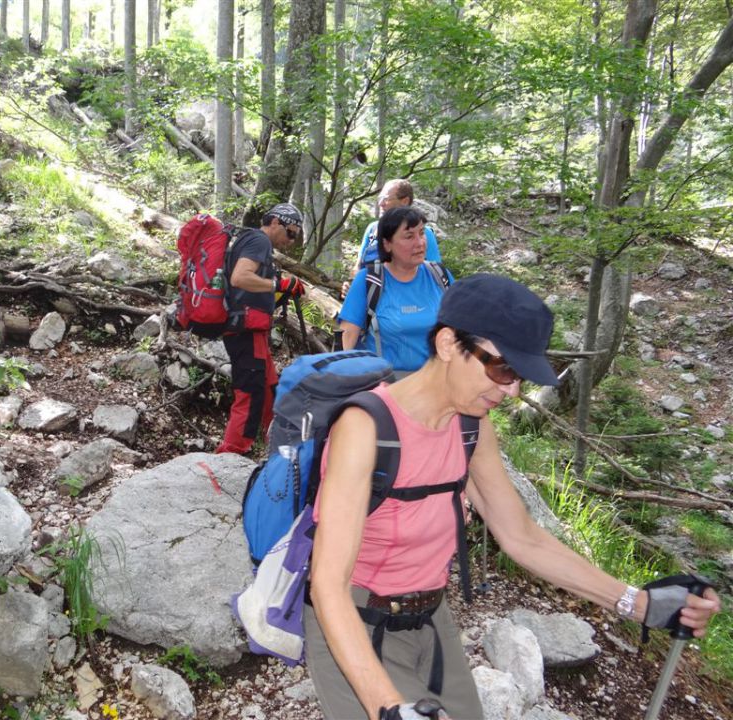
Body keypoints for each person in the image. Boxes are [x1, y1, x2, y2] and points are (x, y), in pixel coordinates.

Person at [306, 274, 721, 720]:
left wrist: (638, 603)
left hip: (432, 618)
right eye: (503, 369)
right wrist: (388, 709)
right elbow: (328, 584)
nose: (513, 391)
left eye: (520, 375)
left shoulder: (470, 425)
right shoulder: (365, 428)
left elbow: (521, 536)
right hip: (356, 623)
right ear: (448, 344)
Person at [215, 203, 305, 455]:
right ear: (275, 222)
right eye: (290, 233)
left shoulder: (251, 241)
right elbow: (240, 278)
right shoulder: (259, 240)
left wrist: (281, 288)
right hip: (246, 329)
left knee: (268, 389)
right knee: (251, 392)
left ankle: (279, 449)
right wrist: (280, 282)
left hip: (249, 328)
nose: (291, 240)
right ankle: (230, 455)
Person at [338, 207, 452, 376]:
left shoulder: (440, 276)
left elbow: (463, 332)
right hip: (385, 387)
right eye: (409, 236)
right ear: (387, 244)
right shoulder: (369, 280)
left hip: (438, 384)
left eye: (421, 233)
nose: (420, 242)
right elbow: (346, 338)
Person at [341, 179, 441, 298]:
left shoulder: (424, 234)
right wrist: (353, 285)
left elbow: (435, 275)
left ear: (405, 201)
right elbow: (359, 266)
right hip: (368, 301)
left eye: (386, 199)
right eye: (380, 199)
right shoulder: (372, 229)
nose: (381, 204)